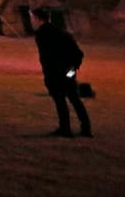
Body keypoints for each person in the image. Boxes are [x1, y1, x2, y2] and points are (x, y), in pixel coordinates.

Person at [31, 9, 91, 137]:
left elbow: (49, 57)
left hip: (55, 74)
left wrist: (52, 72)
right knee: (74, 99)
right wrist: (72, 70)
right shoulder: (62, 33)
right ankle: (85, 128)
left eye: (33, 18)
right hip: (68, 71)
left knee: (61, 101)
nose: (31, 21)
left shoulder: (43, 34)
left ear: (38, 19)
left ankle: (65, 128)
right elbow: (78, 54)